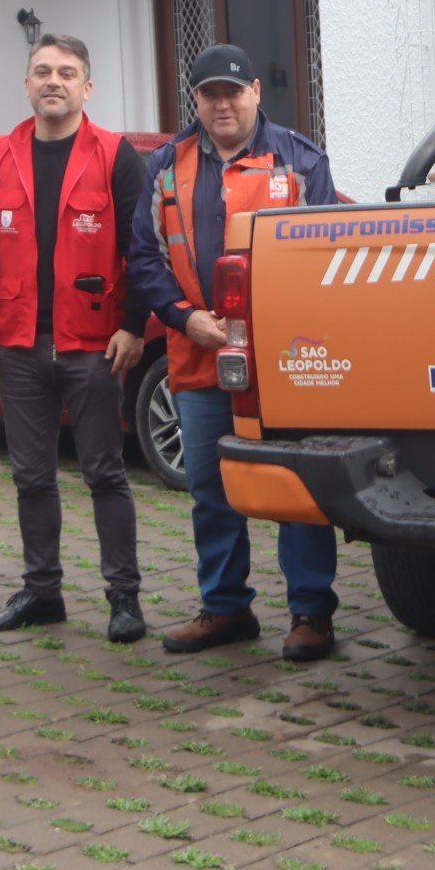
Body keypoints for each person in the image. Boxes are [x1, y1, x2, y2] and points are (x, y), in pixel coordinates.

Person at [128, 45, 342, 661]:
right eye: (209, 95)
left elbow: (323, 257)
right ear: (194, 101)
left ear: (255, 91)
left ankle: (311, 614)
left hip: (283, 358)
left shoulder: (300, 159)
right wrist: (183, 316)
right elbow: (144, 256)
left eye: (232, 92)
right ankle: (225, 609)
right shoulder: (166, 165)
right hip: (196, 353)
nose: (222, 104)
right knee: (209, 487)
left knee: (294, 486)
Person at [0, 35, 151, 643]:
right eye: (42, 71)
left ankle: (124, 597)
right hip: (18, 343)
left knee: (105, 473)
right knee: (31, 477)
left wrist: (133, 325)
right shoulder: (1, 155)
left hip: (92, 343)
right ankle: (43, 593)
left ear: (86, 87)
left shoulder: (117, 155)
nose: (53, 81)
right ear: (26, 84)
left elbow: (143, 249)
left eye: (67, 73)